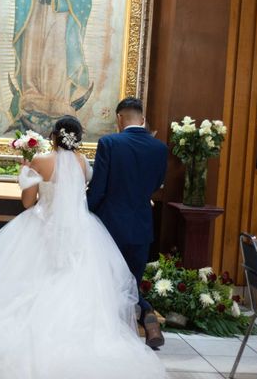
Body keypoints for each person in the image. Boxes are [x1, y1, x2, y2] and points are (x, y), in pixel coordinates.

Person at [0, 115, 166, 378]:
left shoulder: (41, 161)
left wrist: (23, 174)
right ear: (78, 138)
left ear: (54, 136)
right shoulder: (83, 163)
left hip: (42, 226)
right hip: (80, 231)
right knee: (76, 284)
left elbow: (27, 203)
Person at [87, 97, 168, 349]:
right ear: (142, 119)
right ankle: (147, 316)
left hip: (110, 226)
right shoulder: (160, 148)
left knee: (108, 282)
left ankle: (111, 334)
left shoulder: (109, 143)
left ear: (119, 119)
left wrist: (85, 211)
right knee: (131, 281)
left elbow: (98, 187)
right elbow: (156, 185)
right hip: (142, 226)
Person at [7, 0, 93, 133]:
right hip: (36, 14)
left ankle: (56, 101)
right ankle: (33, 97)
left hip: (59, 16)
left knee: (55, 56)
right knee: (34, 55)